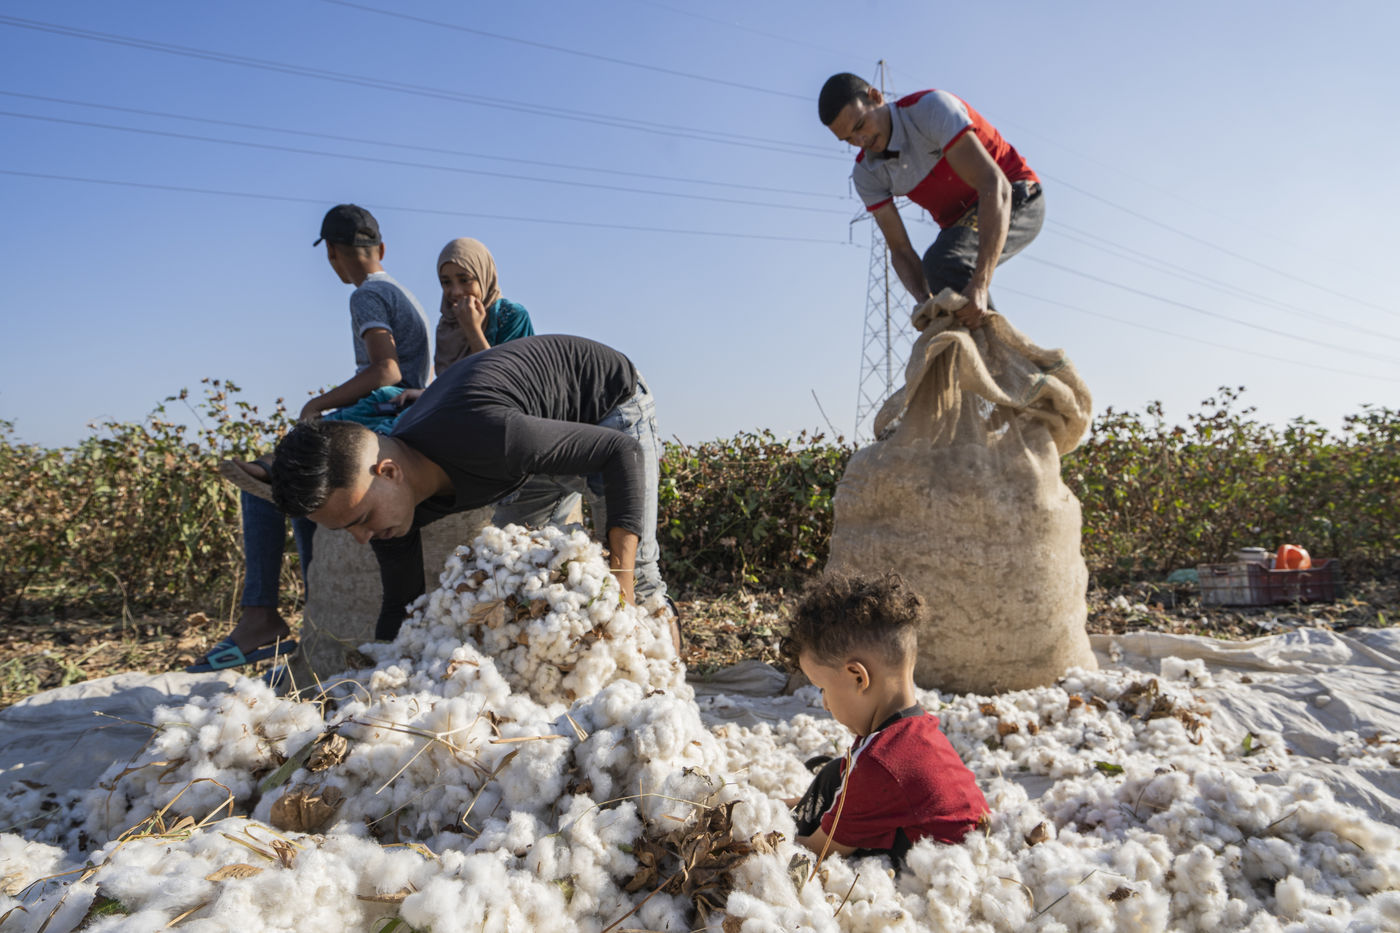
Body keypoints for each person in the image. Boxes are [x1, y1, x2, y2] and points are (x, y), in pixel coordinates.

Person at [266, 334, 672, 645]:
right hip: (533, 442)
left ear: (388, 472)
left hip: (605, 408)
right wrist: (383, 679)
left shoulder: (489, 435)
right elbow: (401, 608)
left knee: (636, 583)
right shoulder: (387, 516)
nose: (362, 537)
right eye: (348, 529)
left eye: (361, 519)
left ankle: (665, 695)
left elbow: (622, 452)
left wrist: (622, 582)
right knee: (518, 581)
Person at [189, 205, 432, 672]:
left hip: (384, 410)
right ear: (381, 248)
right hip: (402, 408)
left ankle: (260, 615)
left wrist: (316, 405)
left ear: (332, 253)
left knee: (265, 484)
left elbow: (386, 370)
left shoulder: (367, 295)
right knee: (304, 499)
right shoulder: (403, 292)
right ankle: (310, 606)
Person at [783, 573, 987, 867]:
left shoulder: (881, 763)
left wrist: (754, 834)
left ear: (858, 677)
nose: (825, 703)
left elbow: (816, 851)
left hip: (931, 870)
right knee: (834, 774)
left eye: (823, 688)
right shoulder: (915, 733)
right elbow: (848, 790)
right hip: (950, 848)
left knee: (829, 787)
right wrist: (773, 806)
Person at [819, 73, 1044, 330]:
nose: (861, 141)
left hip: (1014, 193)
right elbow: (900, 250)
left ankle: (1001, 353)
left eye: (860, 125)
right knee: (945, 295)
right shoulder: (866, 174)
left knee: (943, 263)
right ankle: (985, 351)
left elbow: (994, 185)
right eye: (848, 139)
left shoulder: (930, 109)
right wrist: (925, 302)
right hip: (961, 223)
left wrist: (980, 284)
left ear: (876, 97)